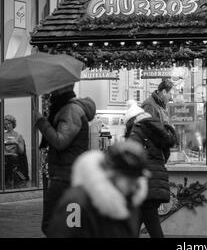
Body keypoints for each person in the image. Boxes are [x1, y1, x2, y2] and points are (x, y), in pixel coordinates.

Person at [47, 141, 149, 238]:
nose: (135, 186)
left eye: (137, 180)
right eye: (129, 180)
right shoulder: (76, 203)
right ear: (111, 174)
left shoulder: (130, 200)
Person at [34, 84, 96, 236]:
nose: (51, 91)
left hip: (66, 177)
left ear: (61, 88)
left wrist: (41, 122)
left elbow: (60, 141)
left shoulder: (70, 111)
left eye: (54, 88)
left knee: (54, 226)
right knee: (69, 227)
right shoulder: (67, 108)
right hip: (68, 175)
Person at [123, 100, 177, 238]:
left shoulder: (138, 128)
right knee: (137, 224)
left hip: (146, 186)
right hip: (154, 184)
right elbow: (166, 154)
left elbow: (130, 156)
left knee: (151, 226)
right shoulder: (155, 128)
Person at [4, 115, 28, 186]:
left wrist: (16, 143)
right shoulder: (2, 135)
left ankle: (10, 181)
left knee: (10, 160)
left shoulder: (18, 135)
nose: (7, 126)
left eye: (9, 123)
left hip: (13, 157)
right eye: (6, 124)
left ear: (13, 124)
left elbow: (21, 151)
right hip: (4, 156)